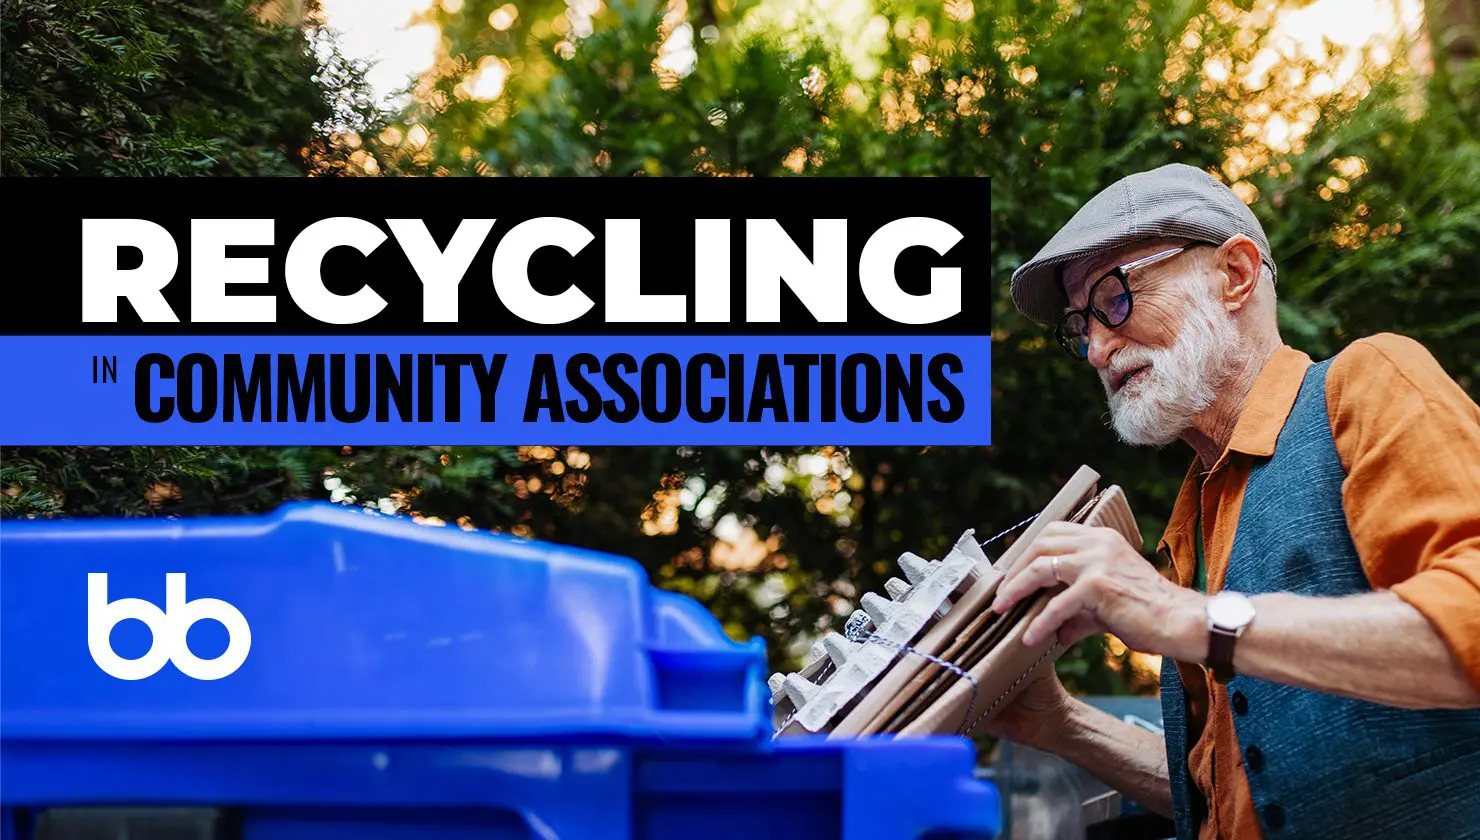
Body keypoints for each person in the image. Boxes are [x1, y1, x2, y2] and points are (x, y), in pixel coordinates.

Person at [992, 163, 1480, 839]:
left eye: (1115, 297)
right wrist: (1060, 724)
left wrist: (1178, 613)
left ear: (1235, 275)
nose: (1098, 348)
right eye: (1080, 325)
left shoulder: (1368, 382)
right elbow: (1237, 796)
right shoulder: (1195, 514)